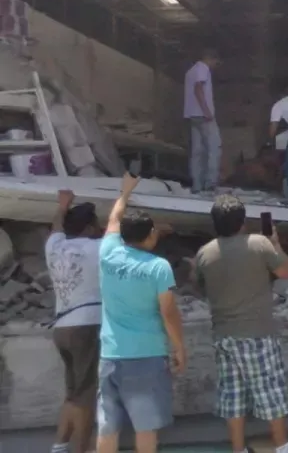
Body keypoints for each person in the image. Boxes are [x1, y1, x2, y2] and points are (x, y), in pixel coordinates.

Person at [194, 195, 288, 453]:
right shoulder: (260, 244)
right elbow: (285, 271)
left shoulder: (204, 253)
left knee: (233, 398)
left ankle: (239, 450)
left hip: (223, 336)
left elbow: (200, 286)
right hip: (257, 334)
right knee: (270, 393)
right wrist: (276, 243)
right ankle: (283, 448)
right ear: (242, 222)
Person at [96, 173, 186, 453]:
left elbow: (113, 220)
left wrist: (125, 192)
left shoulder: (107, 252)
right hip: (146, 356)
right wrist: (179, 347)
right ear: (150, 236)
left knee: (108, 427)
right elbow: (168, 312)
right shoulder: (158, 267)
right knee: (145, 429)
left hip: (110, 355)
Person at [46, 190, 103, 453]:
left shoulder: (54, 247)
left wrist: (62, 206)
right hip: (86, 327)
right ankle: (81, 449)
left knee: (73, 392)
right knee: (87, 394)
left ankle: (60, 446)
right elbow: (119, 233)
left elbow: (56, 227)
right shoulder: (97, 248)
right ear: (89, 227)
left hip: (62, 328)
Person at [185, 48, 221, 192]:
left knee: (197, 151)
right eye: (216, 63)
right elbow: (198, 88)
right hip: (204, 116)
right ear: (211, 59)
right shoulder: (202, 68)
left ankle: (196, 185)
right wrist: (206, 111)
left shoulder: (190, 71)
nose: (215, 66)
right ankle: (210, 183)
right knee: (214, 148)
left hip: (192, 116)